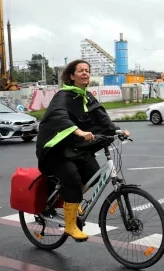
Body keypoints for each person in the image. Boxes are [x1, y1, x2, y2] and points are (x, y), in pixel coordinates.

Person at [36, 60, 130, 241]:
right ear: (72, 76)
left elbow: (102, 119)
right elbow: (59, 117)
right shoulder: (63, 96)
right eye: (81, 71)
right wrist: (78, 131)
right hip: (56, 149)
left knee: (93, 174)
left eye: (87, 71)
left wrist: (117, 130)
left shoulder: (86, 96)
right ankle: (70, 226)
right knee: (72, 179)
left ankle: (72, 200)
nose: (85, 73)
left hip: (77, 148)